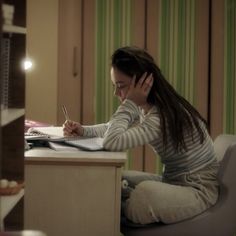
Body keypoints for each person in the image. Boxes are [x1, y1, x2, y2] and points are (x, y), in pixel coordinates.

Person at [63, 46, 219, 225]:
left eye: (121, 86)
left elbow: (112, 141)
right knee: (113, 179)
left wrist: (129, 102)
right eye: (115, 86)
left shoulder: (161, 116)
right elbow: (111, 128)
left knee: (142, 196)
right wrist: (83, 130)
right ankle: (116, 207)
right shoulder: (150, 106)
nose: (116, 93)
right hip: (175, 180)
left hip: (197, 188)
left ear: (143, 83)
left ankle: (111, 212)